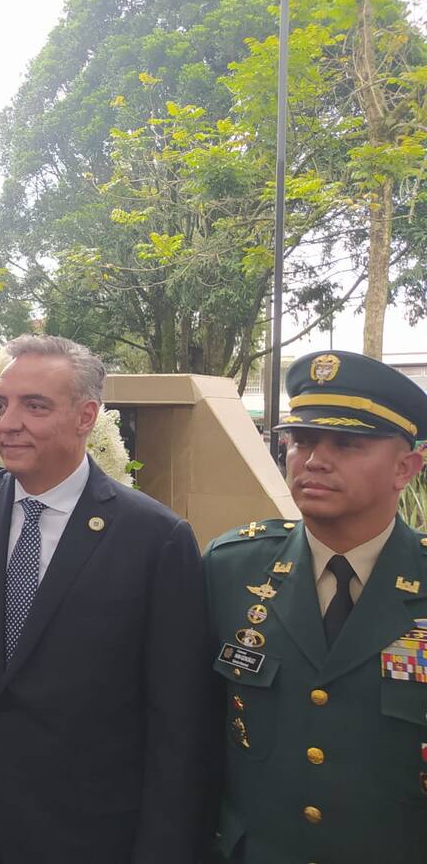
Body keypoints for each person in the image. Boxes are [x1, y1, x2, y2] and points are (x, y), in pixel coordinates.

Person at [0, 334, 215, 864]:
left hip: (90, 832)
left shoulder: (155, 537)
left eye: (35, 406)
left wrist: (164, 846)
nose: (8, 422)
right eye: (2, 405)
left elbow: (178, 719)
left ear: (86, 416)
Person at [204, 350, 427, 864]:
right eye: (301, 441)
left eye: (347, 444)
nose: (314, 460)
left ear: (406, 468)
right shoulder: (231, 567)